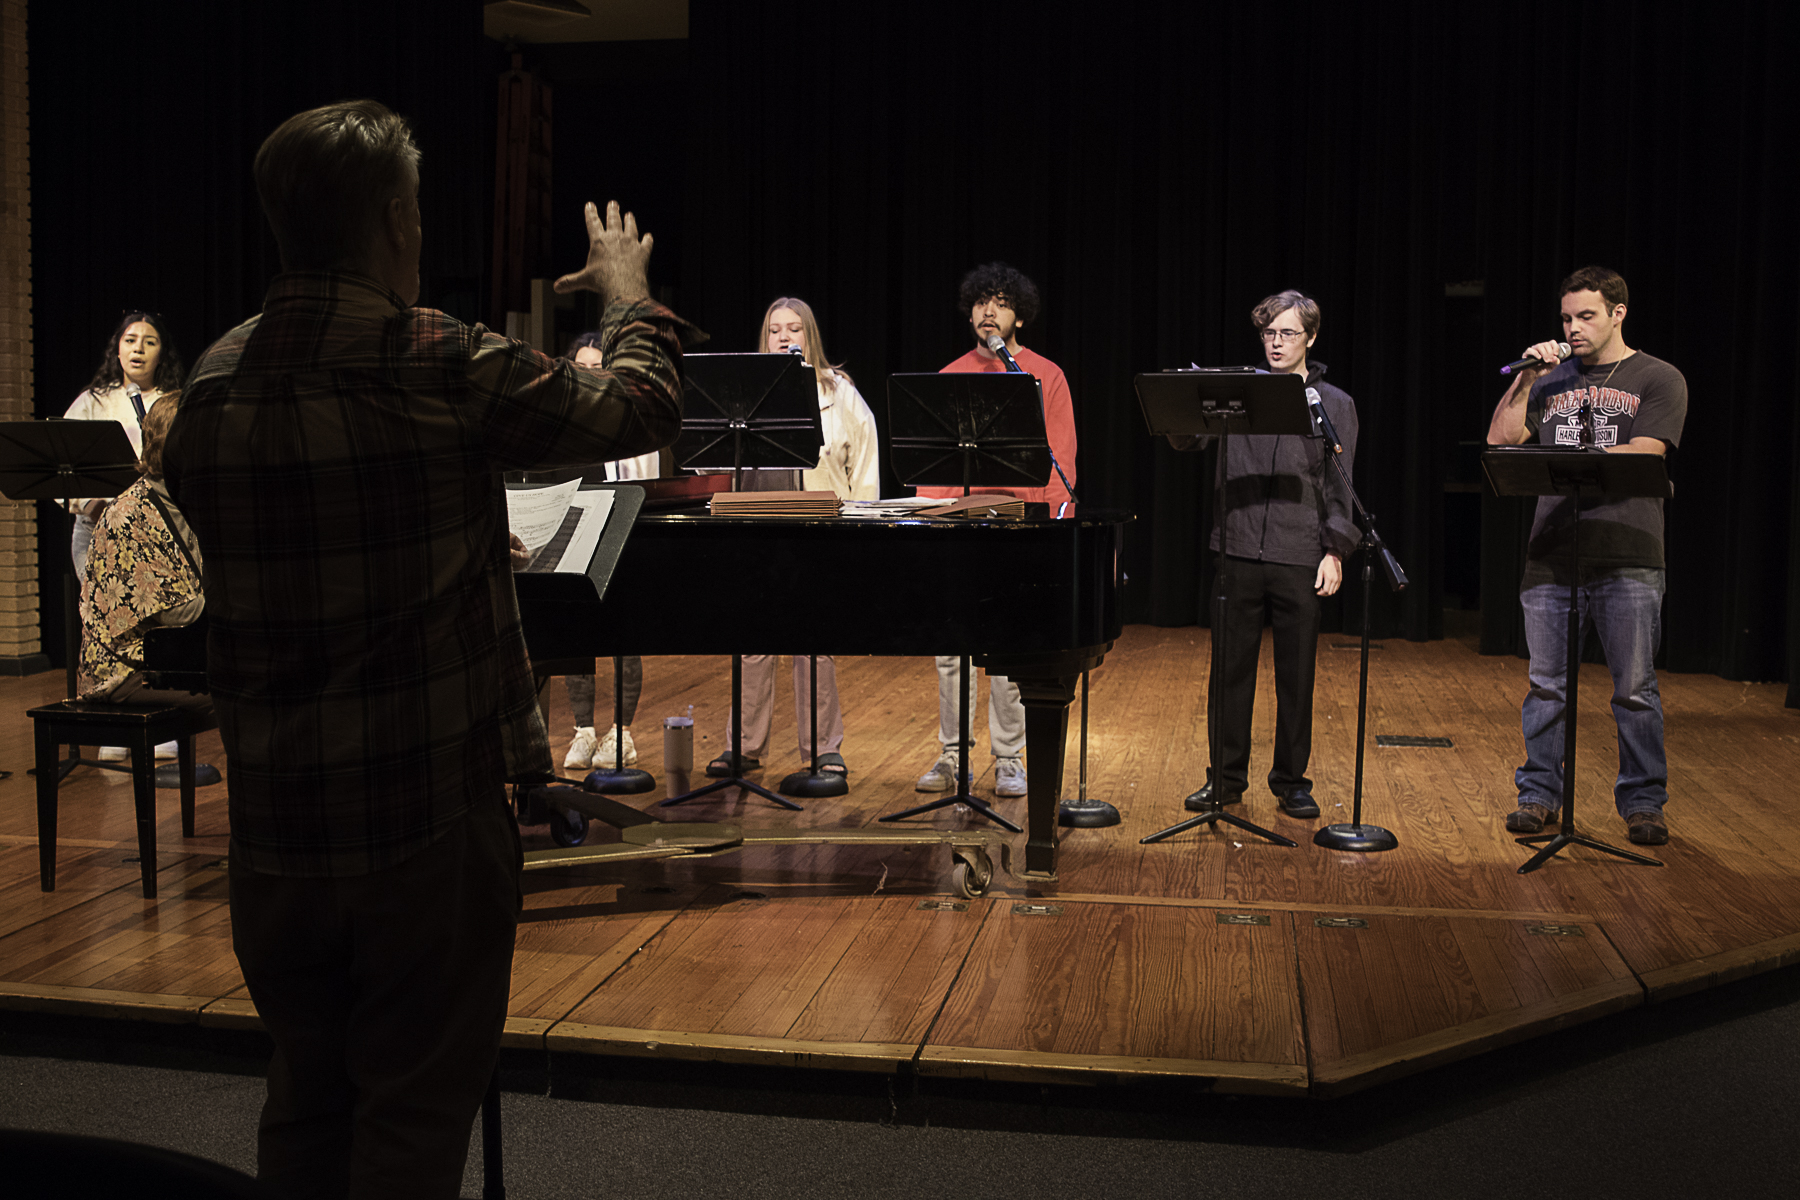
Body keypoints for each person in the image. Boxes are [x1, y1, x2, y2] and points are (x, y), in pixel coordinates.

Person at [162, 99, 694, 1198]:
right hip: (423, 826)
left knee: (306, 1102)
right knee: (411, 1118)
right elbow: (638, 408)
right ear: (397, 219)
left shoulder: (210, 382)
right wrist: (630, 295)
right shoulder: (434, 357)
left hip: (272, 834)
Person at [1486, 265, 1687, 846]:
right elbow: (1502, 442)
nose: (1572, 328)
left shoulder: (1658, 377)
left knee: (1634, 688)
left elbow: (1644, 456)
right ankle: (1538, 796)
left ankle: (1644, 802)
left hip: (1629, 553)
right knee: (1547, 684)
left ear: (1618, 313)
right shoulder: (1550, 378)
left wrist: (1566, 460)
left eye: (1586, 316)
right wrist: (1527, 380)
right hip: (1552, 555)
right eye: (1566, 318)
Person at [1173, 289, 1358, 821]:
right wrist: (1189, 402)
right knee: (1230, 672)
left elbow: (1341, 485)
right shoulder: (1239, 392)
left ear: (1311, 338)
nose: (1277, 344)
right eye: (1269, 334)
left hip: (1300, 552)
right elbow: (1188, 442)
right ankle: (1224, 780)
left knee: (1296, 674)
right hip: (1237, 548)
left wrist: (1335, 550)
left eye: (1288, 334)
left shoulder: (1334, 403)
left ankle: (1292, 781)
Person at [913, 263, 1077, 800]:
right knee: (950, 649)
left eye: (1002, 301)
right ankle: (953, 755)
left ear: (1019, 317)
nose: (989, 310)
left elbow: (1061, 458)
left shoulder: (1045, 376)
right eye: (982, 300)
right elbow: (933, 465)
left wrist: (1055, 523)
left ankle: (1010, 759)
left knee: (1008, 648)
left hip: (1017, 527)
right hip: (959, 527)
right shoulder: (949, 374)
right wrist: (928, 519)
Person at [707, 297, 879, 779]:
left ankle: (823, 748)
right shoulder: (742, 394)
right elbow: (708, 459)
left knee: (813, 642)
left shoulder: (838, 393)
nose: (784, 338)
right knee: (751, 641)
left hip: (816, 530)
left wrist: (860, 533)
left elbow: (863, 467)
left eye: (795, 330)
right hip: (753, 526)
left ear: (810, 338)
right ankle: (742, 746)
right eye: (775, 330)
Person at [77, 391, 207, 712]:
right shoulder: (129, 514)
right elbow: (171, 612)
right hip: (127, 672)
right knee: (245, 692)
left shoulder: (186, 498)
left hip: (172, 653)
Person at [560, 330, 654, 771]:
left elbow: (646, 486)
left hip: (619, 538)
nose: (591, 377)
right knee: (576, 636)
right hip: (572, 540)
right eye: (583, 368)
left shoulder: (631, 426)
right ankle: (583, 731)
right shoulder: (559, 427)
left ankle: (622, 733)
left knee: (623, 637)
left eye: (601, 369)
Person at [63, 311, 185, 576]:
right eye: (130, 340)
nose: (138, 348)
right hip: (97, 526)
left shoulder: (173, 403)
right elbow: (62, 460)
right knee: (104, 612)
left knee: (157, 615)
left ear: (162, 354)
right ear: (117, 350)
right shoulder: (93, 402)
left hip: (156, 526)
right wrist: (88, 505)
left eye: (150, 342)